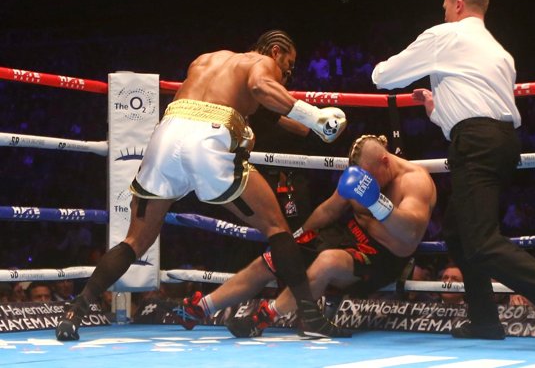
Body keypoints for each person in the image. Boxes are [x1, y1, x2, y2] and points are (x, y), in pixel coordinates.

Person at [55, 30, 348, 341]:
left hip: (166, 134)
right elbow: (261, 87)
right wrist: (315, 115)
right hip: (208, 137)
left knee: (135, 241)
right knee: (277, 228)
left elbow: (272, 115)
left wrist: (312, 127)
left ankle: (75, 311)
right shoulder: (262, 63)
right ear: (275, 51)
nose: (287, 73)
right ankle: (310, 317)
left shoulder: (208, 60)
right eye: (288, 65)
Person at [371, 0, 535, 352]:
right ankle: (484, 319)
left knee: (481, 241)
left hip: (477, 143)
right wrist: (436, 107)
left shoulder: (446, 35)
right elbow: (472, 110)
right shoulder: (500, 52)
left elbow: (386, 77)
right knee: (459, 234)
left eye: (445, 7)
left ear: (459, 5)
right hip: (496, 140)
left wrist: (378, 68)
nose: (443, 13)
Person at [178, 134, 436, 337]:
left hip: (384, 256)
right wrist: (298, 236)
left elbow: (410, 234)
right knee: (277, 257)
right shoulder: (360, 175)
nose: (367, 182)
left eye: (371, 177)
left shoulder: (415, 181)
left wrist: (376, 201)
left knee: (328, 262)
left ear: (385, 161)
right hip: (349, 237)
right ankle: (201, 307)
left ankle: (263, 317)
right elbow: (329, 210)